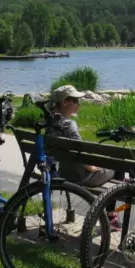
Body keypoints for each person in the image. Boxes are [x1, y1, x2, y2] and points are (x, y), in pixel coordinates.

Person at [49, 85, 121, 228]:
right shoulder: (69, 125)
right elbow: (80, 153)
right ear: (65, 102)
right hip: (81, 176)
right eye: (75, 101)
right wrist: (91, 166)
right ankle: (111, 215)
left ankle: (111, 213)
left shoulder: (50, 124)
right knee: (118, 166)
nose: (79, 104)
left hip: (62, 173)